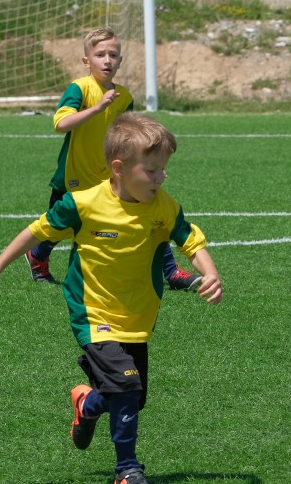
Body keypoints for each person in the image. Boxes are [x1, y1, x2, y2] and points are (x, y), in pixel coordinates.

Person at [0, 113, 223, 484]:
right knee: (126, 390)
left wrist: (209, 273)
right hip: (93, 314)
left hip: (137, 318)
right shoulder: (83, 204)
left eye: (164, 170)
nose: (162, 179)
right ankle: (126, 470)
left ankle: (87, 404)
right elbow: (35, 232)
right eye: (153, 170)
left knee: (131, 397)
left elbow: (190, 240)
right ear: (119, 169)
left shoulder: (163, 207)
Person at [26, 26, 201, 291]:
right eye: (99, 54)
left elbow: (127, 136)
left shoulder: (124, 97)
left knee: (147, 216)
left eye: (113, 54)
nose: (107, 60)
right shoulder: (80, 88)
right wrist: (98, 108)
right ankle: (37, 255)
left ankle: (171, 271)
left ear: (120, 60)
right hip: (74, 175)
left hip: (112, 175)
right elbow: (61, 124)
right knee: (60, 226)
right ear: (87, 61)